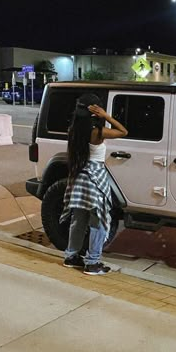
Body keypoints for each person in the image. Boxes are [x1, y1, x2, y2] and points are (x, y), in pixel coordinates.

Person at [60, 93, 128, 275]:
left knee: (78, 219)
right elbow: (123, 131)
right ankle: (92, 262)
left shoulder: (73, 130)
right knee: (98, 221)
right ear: (95, 111)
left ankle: (71, 256)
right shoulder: (98, 132)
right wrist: (106, 116)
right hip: (95, 178)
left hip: (79, 177)